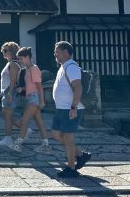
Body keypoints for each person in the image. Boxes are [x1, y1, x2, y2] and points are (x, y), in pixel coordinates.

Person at [52, 41, 92, 177]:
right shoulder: (64, 66)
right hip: (61, 108)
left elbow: (78, 87)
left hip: (70, 108)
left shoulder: (72, 67)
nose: (55, 54)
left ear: (65, 52)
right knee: (55, 134)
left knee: (69, 138)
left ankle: (71, 168)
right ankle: (81, 154)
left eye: (57, 51)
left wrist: (73, 107)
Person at [12, 47, 51, 153]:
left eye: (21, 59)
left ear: (27, 57)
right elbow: (32, 85)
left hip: (34, 98)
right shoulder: (28, 69)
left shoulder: (34, 69)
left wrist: (42, 101)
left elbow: (39, 86)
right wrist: (23, 88)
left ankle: (17, 144)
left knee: (24, 121)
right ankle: (46, 145)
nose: (19, 61)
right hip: (31, 97)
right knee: (39, 122)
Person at [0, 42, 22, 148]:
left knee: (7, 116)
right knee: (7, 115)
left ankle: (9, 138)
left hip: (9, 92)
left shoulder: (13, 64)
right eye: (3, 50)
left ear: (12, 52)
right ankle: (22, 129)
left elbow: (13, 81)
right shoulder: (10, 63)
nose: (4, 52)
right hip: (7, 92)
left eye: (6, 50)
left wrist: (10, 94)